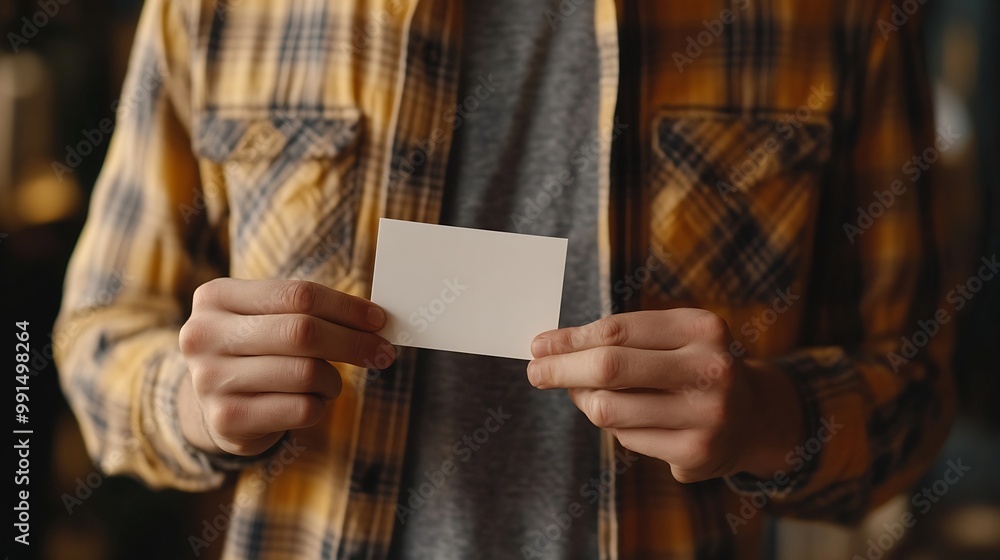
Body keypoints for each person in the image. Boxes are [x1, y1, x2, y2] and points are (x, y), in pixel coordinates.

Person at [55, 0, 954, 558]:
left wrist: (770, 418)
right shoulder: (218, 7)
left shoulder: (841, 11)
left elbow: (916, 397)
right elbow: (96, 330)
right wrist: (184, 398)